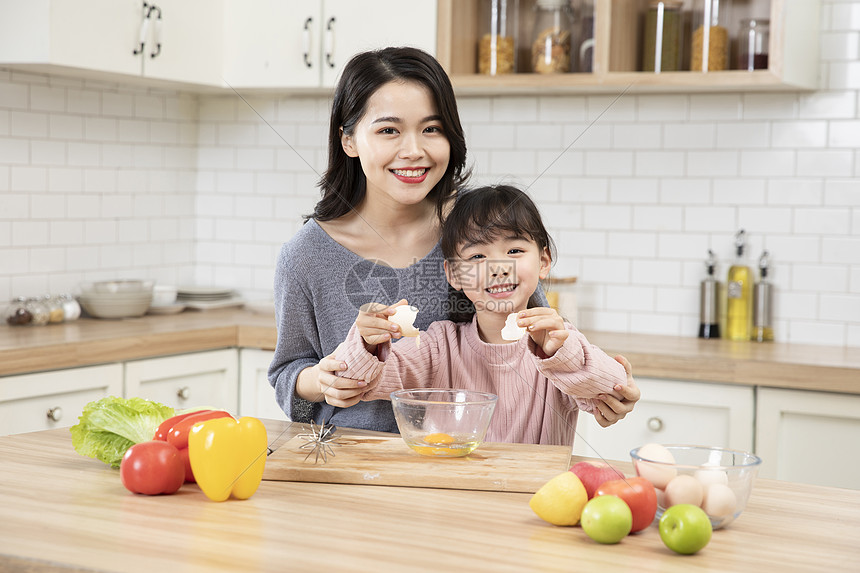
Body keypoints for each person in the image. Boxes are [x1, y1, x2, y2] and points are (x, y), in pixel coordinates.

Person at [268, 47, 639, 433]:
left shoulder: (478, 229)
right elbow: (287, 374)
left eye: (431, 129)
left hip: (465, 462)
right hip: (355, 461)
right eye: (388, 130)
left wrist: (606, 392)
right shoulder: (305, 255)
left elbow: (541, 340)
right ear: (349, 141)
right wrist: (320, 382)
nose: (414, 151)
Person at [334, 184, 628, 445]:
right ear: (454, 274)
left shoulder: (559, 343)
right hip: (452, 496)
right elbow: (356, 380)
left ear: (543, 261)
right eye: (477, 256)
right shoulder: (439, 346)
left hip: (537, 499)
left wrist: (562, 353)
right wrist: (368, 342)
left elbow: (614, 389)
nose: (498, 267)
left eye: (514, 250)